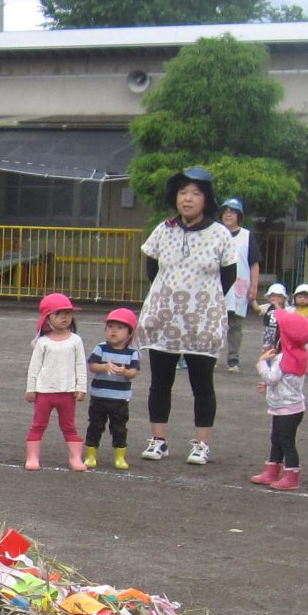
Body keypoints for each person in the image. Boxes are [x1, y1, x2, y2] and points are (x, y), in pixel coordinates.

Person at [136, 167, 236, 467]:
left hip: (202, 321)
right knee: (160, 381)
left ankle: (201, 444)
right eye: (182, 192)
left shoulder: (220, 234)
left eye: (195, 193)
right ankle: (159, 439)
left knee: (202, 383)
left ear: (206, 199)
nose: (188, 199)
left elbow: (228, 276)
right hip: (164, 318)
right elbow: (152, 268)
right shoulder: (163, 230)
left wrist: (201, 300)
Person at [248, 310, 308, 492]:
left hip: (286, 408)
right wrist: (269, 388)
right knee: (278, 439)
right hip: (290, 407)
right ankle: (273, 470)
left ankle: (291, 475)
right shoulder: (299, 354)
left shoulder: (284, 357)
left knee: (285, 440)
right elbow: (287, 381)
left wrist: (261, 362)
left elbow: (272, 378)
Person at [25, 293, 89, 472]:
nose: (64, 317)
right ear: (47, 319)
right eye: (58, 313)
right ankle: (32, 457)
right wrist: (31, 389)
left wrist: (81, 387)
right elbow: (34, 367)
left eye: (68, 313)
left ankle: (75, 458)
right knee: (38, 424)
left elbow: (80, 365)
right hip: (44, 392)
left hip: (67, 392)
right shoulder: (42, 342)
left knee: (69, 426)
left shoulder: (76, 340)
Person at [84, 307, 140, 471]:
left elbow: (133, 373)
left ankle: (120, 456)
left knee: (119, 428)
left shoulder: (132, 353)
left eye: (120, 327)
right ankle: (91, 455)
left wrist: (125, 372)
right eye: (110, 326)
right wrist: (104, 367)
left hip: (120, 398)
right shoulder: (100, 348)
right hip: (99, 396)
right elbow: (92, 366)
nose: (113, 330)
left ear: (129, 333)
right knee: (95, 426)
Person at [218, 197, 260, 373]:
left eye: (232, 212)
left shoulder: (246, 235)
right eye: (226, 211)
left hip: (239, 286)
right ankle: (210, 355)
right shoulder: (216, 233)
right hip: (217, 285)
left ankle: (233, 358)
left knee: (235, 324)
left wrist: (254, 287)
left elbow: (254, 263)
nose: (228, 214)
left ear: (239, 216)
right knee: (216, 322)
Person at [258, 282, 290, 351]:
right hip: (268, 331)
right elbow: (258, 309)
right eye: (273, 296)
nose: (275, 298)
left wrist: (276, 305)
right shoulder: (268, 306)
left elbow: (283, 315)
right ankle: (267, 360)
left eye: (278, 296)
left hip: (279, 332)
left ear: (284, 298)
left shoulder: (286, 308)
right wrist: (252, 301)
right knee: (266, 349)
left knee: (278, 348)